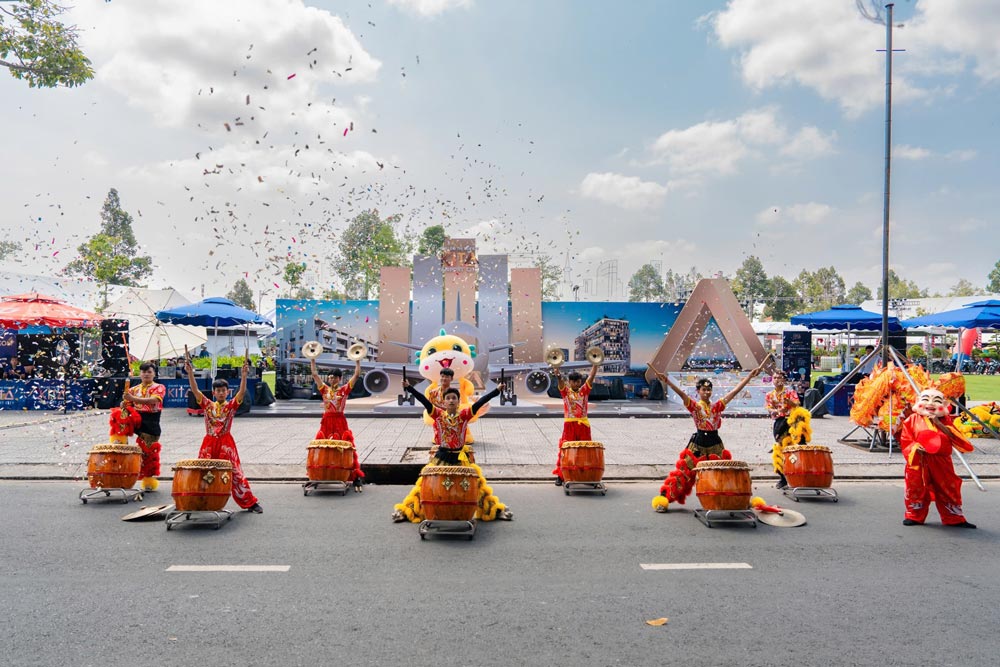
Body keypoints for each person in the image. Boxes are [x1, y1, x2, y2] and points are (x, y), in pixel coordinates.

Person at [391, 378, 512, 523]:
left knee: (478, 483)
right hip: (441, 456)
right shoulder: (438, 414)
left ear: (458, 401)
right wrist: (409, 388)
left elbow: (480, 402)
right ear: (444, 401)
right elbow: (423, 400)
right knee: (424, 482)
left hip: (461, 456)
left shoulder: (464, 414)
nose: (451, 400)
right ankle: (407, 510)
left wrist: (497, 390)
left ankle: (493, 509)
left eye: (454, 398)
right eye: (448, 398)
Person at [650, 362, 763, 512]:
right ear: (698, 391)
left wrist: (749, 376)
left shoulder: (717, 407)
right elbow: (682, 394)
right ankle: (664, 499)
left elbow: (735, 392)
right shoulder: (695, 407)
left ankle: (739, 499)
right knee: (684, 473)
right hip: (698, 444)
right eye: (704, 389)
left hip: (715, 442)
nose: (707, 392)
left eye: (709, 389)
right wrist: (667, 381)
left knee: (727, 472)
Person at [184, 356, 262, 513]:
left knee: (236, 473)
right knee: (203, 471)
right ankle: (200, 501)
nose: (220, 393)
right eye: (218, 391)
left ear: (228, 392)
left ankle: (250, 502)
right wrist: (190, 373)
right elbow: (195, 390)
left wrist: (244, 375)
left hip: (226, 444)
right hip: (209, 443)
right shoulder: (207, 405)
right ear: (214, 392)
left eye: (223, 391)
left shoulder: (231, 406)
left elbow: (241, 392)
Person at [898, 388, 976, 528]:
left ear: (944, 404)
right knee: (916, 488)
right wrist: (915, 447)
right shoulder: (911, 420)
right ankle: (914, 515)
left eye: (936, 401)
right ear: (918, 401)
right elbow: (905, 440)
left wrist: (939, 424)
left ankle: (954, 517)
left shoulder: (945, 420)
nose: (931, 404)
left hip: (941, 461)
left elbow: (957, 439)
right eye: (926, 399)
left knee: (948, 488)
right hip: (919, 460)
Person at [309, 357, 364, 487]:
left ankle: (353, 475)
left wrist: (357, 361)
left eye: (334, 377)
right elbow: (314, 374)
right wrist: (312, 360)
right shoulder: (324, 389)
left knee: (345, 447)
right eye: (330, 377)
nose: (331, 379)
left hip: (339, 420)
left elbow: (356, 374)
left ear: (339, 379)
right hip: (327, 420)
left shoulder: (344, 389)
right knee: (323, 447)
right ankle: (321, 473)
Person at [550, 363, 599, 486]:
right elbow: (560, 382)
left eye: (579, 381)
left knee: (585, 451)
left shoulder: (584, 390)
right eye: (574, 382)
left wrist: (595, 365)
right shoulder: (566, 392)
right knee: (566, 450)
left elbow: (591, 377)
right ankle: (561, 476)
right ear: (570, 382)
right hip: (569, 426)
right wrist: (558, 374)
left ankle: (587, 476)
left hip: (583, 425)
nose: (577, 384)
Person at [122, 362, 166, 492]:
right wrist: (123, 404)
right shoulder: (133, 389)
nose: (146, 374)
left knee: (148, 453)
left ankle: (148, 480)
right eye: (143, 372)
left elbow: (154, 401)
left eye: (149, 372)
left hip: (151, 421)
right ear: (139, 374)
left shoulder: (159, 387)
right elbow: (128, 405)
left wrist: (133, 398)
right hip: (136, 418)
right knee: (118, 416)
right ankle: (119, 442)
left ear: (154, 374)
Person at [425, 367, 475, 454]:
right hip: (439, 420)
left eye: (447, 377)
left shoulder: (454, 393)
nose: (444, 379)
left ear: (451, 378)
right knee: (439, 439)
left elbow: (457, 407)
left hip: (452, 419)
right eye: (442, 376)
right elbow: (431, 406)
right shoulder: (433, 393)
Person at [764, 370, 800, 489]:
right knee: (780, 451)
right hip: (779, 422)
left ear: (784, 380)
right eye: (774, 378)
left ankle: (797, 476)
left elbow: (797, 404)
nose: (777, 380)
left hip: (791, 423)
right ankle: (783, 477)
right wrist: (777, 411)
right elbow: (769, 408)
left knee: (794, 450)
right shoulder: (770, 395)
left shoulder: (790, 392)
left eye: (779, 378)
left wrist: (789, 403)